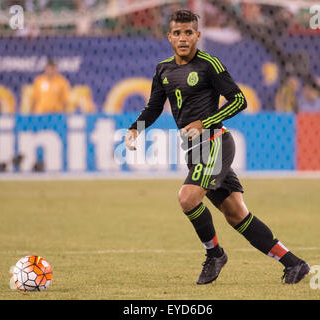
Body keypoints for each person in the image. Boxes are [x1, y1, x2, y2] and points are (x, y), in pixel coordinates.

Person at [125, 10, 309, 285]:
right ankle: (294, 264)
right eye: (177, 33)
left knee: (187, 198)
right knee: (236, 214)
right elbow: (153, 107)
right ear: (169, 37)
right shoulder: (163, 69)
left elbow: (238, 100)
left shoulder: (209, 64)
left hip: (215, 143)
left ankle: (215, 254)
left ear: (198, 35)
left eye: (189, 32)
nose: (183, 38)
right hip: (195, 151)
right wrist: (135, 129)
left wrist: (203, 123)